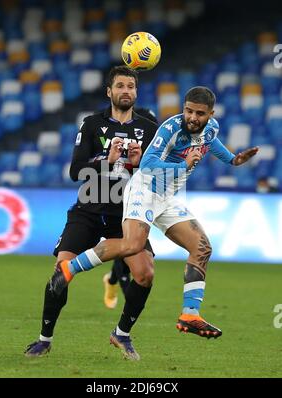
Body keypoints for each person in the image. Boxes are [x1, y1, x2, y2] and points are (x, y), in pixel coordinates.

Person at [49, 86, 259, 356]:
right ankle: (69, 269)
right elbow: (147, 164)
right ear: (183, 108)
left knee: (203, 247)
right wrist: (183, 166)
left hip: (167, 197)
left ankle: (190, 314)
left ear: (210, 114)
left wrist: (232, 160)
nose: (192, 117)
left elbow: (210, 142)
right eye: (188, 111)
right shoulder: (171, 129)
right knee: (132, 245)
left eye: (199, 113)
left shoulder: (210, 128)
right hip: (145, 189)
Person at [24, 66, 158, 360]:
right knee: (62, 271)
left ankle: (121, 334)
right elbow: (75, 171)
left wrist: (138, 165)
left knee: (145, 274)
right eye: (120, 86)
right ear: (109, 92)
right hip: (89, 209)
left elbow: (156, 176)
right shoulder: (92, 124)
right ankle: (44, 339)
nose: (126, 91)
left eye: (131, 86)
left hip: (126, 214)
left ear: (136, 92)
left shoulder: (149, 130)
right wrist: (105, 160)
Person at [103, 107, 159, 309]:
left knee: (129, 248)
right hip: (114, 201)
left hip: (137, 203)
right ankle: (114, 284)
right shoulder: (117, 137)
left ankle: (111, 281)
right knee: (126, 249)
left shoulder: (152, 140)